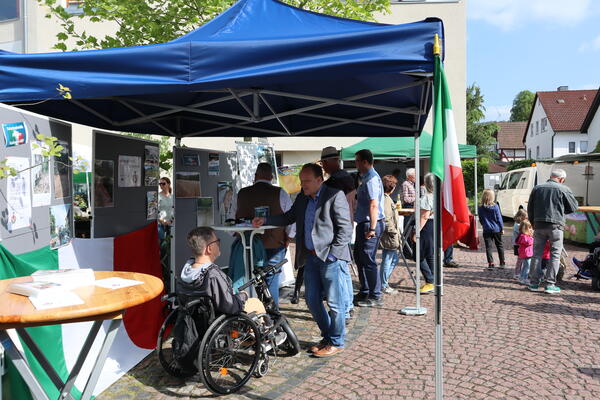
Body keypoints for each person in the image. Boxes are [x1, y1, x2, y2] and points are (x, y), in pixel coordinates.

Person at [253, 163, 352, 358]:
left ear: (318, 180)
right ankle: (327, 337)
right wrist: (266, 221)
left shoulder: (334, 195)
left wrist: (333, 254)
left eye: (306, 181)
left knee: (335, 303)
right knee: (312, 300)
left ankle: (337, 341)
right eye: (301, 181)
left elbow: (345, 229)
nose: (302, 184)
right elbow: (289, 217)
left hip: (330, 258)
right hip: (311, 258)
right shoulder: (302, 198)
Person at [235, 163, 295, 308]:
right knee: (271, 280)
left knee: (247, 280)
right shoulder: (281, 193)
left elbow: (233, 221)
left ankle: (251, 315)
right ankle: (273, 317)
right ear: (271, 177)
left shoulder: (242, 193)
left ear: (255, 176)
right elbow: (292, 221)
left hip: (247, 244)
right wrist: (288, 239)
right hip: (274, 244)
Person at [178, 227, 265, 315]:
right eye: (217, 242)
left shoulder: (186, 271)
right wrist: (243, 295)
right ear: (210, 248)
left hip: (196, 319)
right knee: (257, 303)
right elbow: (231, 306)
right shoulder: (212, 275)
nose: (219, 244)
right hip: (220, 317)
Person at [527, 169, 578, 294]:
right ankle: (550, 284)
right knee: (555, 254)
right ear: (561, 179)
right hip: (556, 225)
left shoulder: (537, 188)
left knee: (536, 254)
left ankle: (534, 283)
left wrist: (533, 223)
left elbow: (530, 208)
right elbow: (573, 207)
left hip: (539, 225)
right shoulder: (563, 189)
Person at [320, 146, 356, 323]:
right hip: (346, 226)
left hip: (337, 231)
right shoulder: (348, 177)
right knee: (344, 270)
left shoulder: (333, 183)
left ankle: (346, 310)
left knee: (340, 273)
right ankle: (349, 306)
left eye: (324, 164)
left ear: (327, 163)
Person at [353, 149, 385, 307]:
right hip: (363, 223)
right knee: (359, 258)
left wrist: (372, 229)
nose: (356, 164)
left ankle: (375, 294)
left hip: (370, 223)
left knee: (368, 259)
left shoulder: (371, 178)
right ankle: (365, 290)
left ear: (365, 162)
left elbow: (374, 204)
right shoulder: (366, 177)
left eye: (357, 161)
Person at [412, 173, 436, 294]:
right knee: (430, 254)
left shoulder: (427, 197)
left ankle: (430, 280)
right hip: (434, 226)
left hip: (426, 227)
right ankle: (432, 281)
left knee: (418, 255)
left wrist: (417, 231)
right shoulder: (439, 196)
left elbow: (424, 216)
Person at [379, 175, 401, 294]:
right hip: (389, 234)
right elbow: (387, 218)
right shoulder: (386, 199)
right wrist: (393, 231)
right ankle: (383, 284)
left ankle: (383, 282)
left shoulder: (386, 198)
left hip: (390, 233)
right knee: (388, 259)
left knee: (393, 259)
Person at [478, 189, 505, 269]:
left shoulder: (480, 208)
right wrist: (501, 228)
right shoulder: (496, 207)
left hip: (486, 229)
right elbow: (499, 218)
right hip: (496, 229)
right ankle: (502, 262)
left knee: (488, 247)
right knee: (499, 245)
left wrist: (484, 225)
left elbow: (481, 219)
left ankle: (491, 263)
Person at [516, 220, 534, 285]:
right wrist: (532, 237)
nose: (531, 229)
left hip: (526, 253)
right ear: (525, 229)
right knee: (527, 266)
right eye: (529, 228)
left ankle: (521, 277)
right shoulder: (524, 236)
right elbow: (529, 242)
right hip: (526, 254)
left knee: (525, 266)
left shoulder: (523, 235)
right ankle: (524, 278)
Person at [512, 209, 529, 279]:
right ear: (521, 217)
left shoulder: (518, 224)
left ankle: (520, 272)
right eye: (525, 217)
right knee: (520, 260)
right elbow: (522, 233)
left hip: (519, 244)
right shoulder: (518, 225)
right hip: (518, 245)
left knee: (521, 260)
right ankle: (517, 273)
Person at [158, 177, 174, 241]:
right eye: (160, 184)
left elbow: (174, 210)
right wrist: (161, 221)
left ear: (169, 184)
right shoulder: (158, 196)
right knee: (162, 245)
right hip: (160, 225)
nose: (161, 185)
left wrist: (171, 221)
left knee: (171, 246)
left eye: (163, 183)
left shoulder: (172, 197)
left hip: (171, 224)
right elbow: (155, 211)